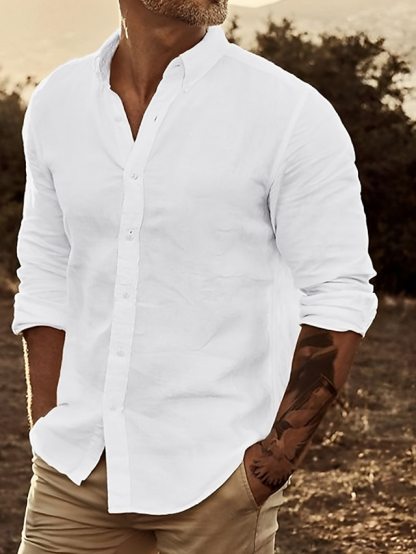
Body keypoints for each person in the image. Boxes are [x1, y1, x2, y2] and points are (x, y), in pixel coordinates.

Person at [11, 0, 378, 552]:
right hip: (75, 472)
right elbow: (46, 274)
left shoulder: (290, 113)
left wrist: (272, 463)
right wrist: (48, 426)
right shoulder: (57, 103)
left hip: (217, 480)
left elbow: (339, 291)